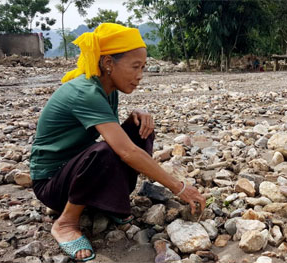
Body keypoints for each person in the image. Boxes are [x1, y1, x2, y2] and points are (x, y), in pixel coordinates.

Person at [29, 23, 206, 262]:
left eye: (143, 67)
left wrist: (137, 114)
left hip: (74, 172)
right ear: (108, 63)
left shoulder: (108, 89)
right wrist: (179, 187)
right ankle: (66, 222)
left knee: (140, 127)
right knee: (106, 151)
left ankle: (110, 203)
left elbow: (119, 139)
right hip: (52, 185)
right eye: (135, 67)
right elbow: (125, 151)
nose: (140, 75)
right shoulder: (86, 91)